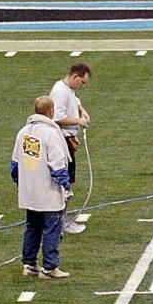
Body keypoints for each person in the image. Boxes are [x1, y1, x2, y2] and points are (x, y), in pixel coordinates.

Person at [11, 96, 71, 279]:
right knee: (52, 228)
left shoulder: (23, 132)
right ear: (50, 111)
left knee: (32, 227)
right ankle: (49, 267)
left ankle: (29, 264)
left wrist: (20, 184)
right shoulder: (51, 133)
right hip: (48, 192)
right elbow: (57, 164)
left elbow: (14, 165)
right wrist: (66, 186)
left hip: (29, 192)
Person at [49, 62, 91, 234]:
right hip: (62, 141)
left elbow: (74, 99)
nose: (82, 86)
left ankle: (62, 219)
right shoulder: (60, 91)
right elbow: (57, 117)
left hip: (68, 139)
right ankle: (61, 221)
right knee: (65, 183)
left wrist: (81, 110)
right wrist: (79, 121)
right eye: (82, 82)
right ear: (75, 77)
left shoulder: (68, 89)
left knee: (69, 180)